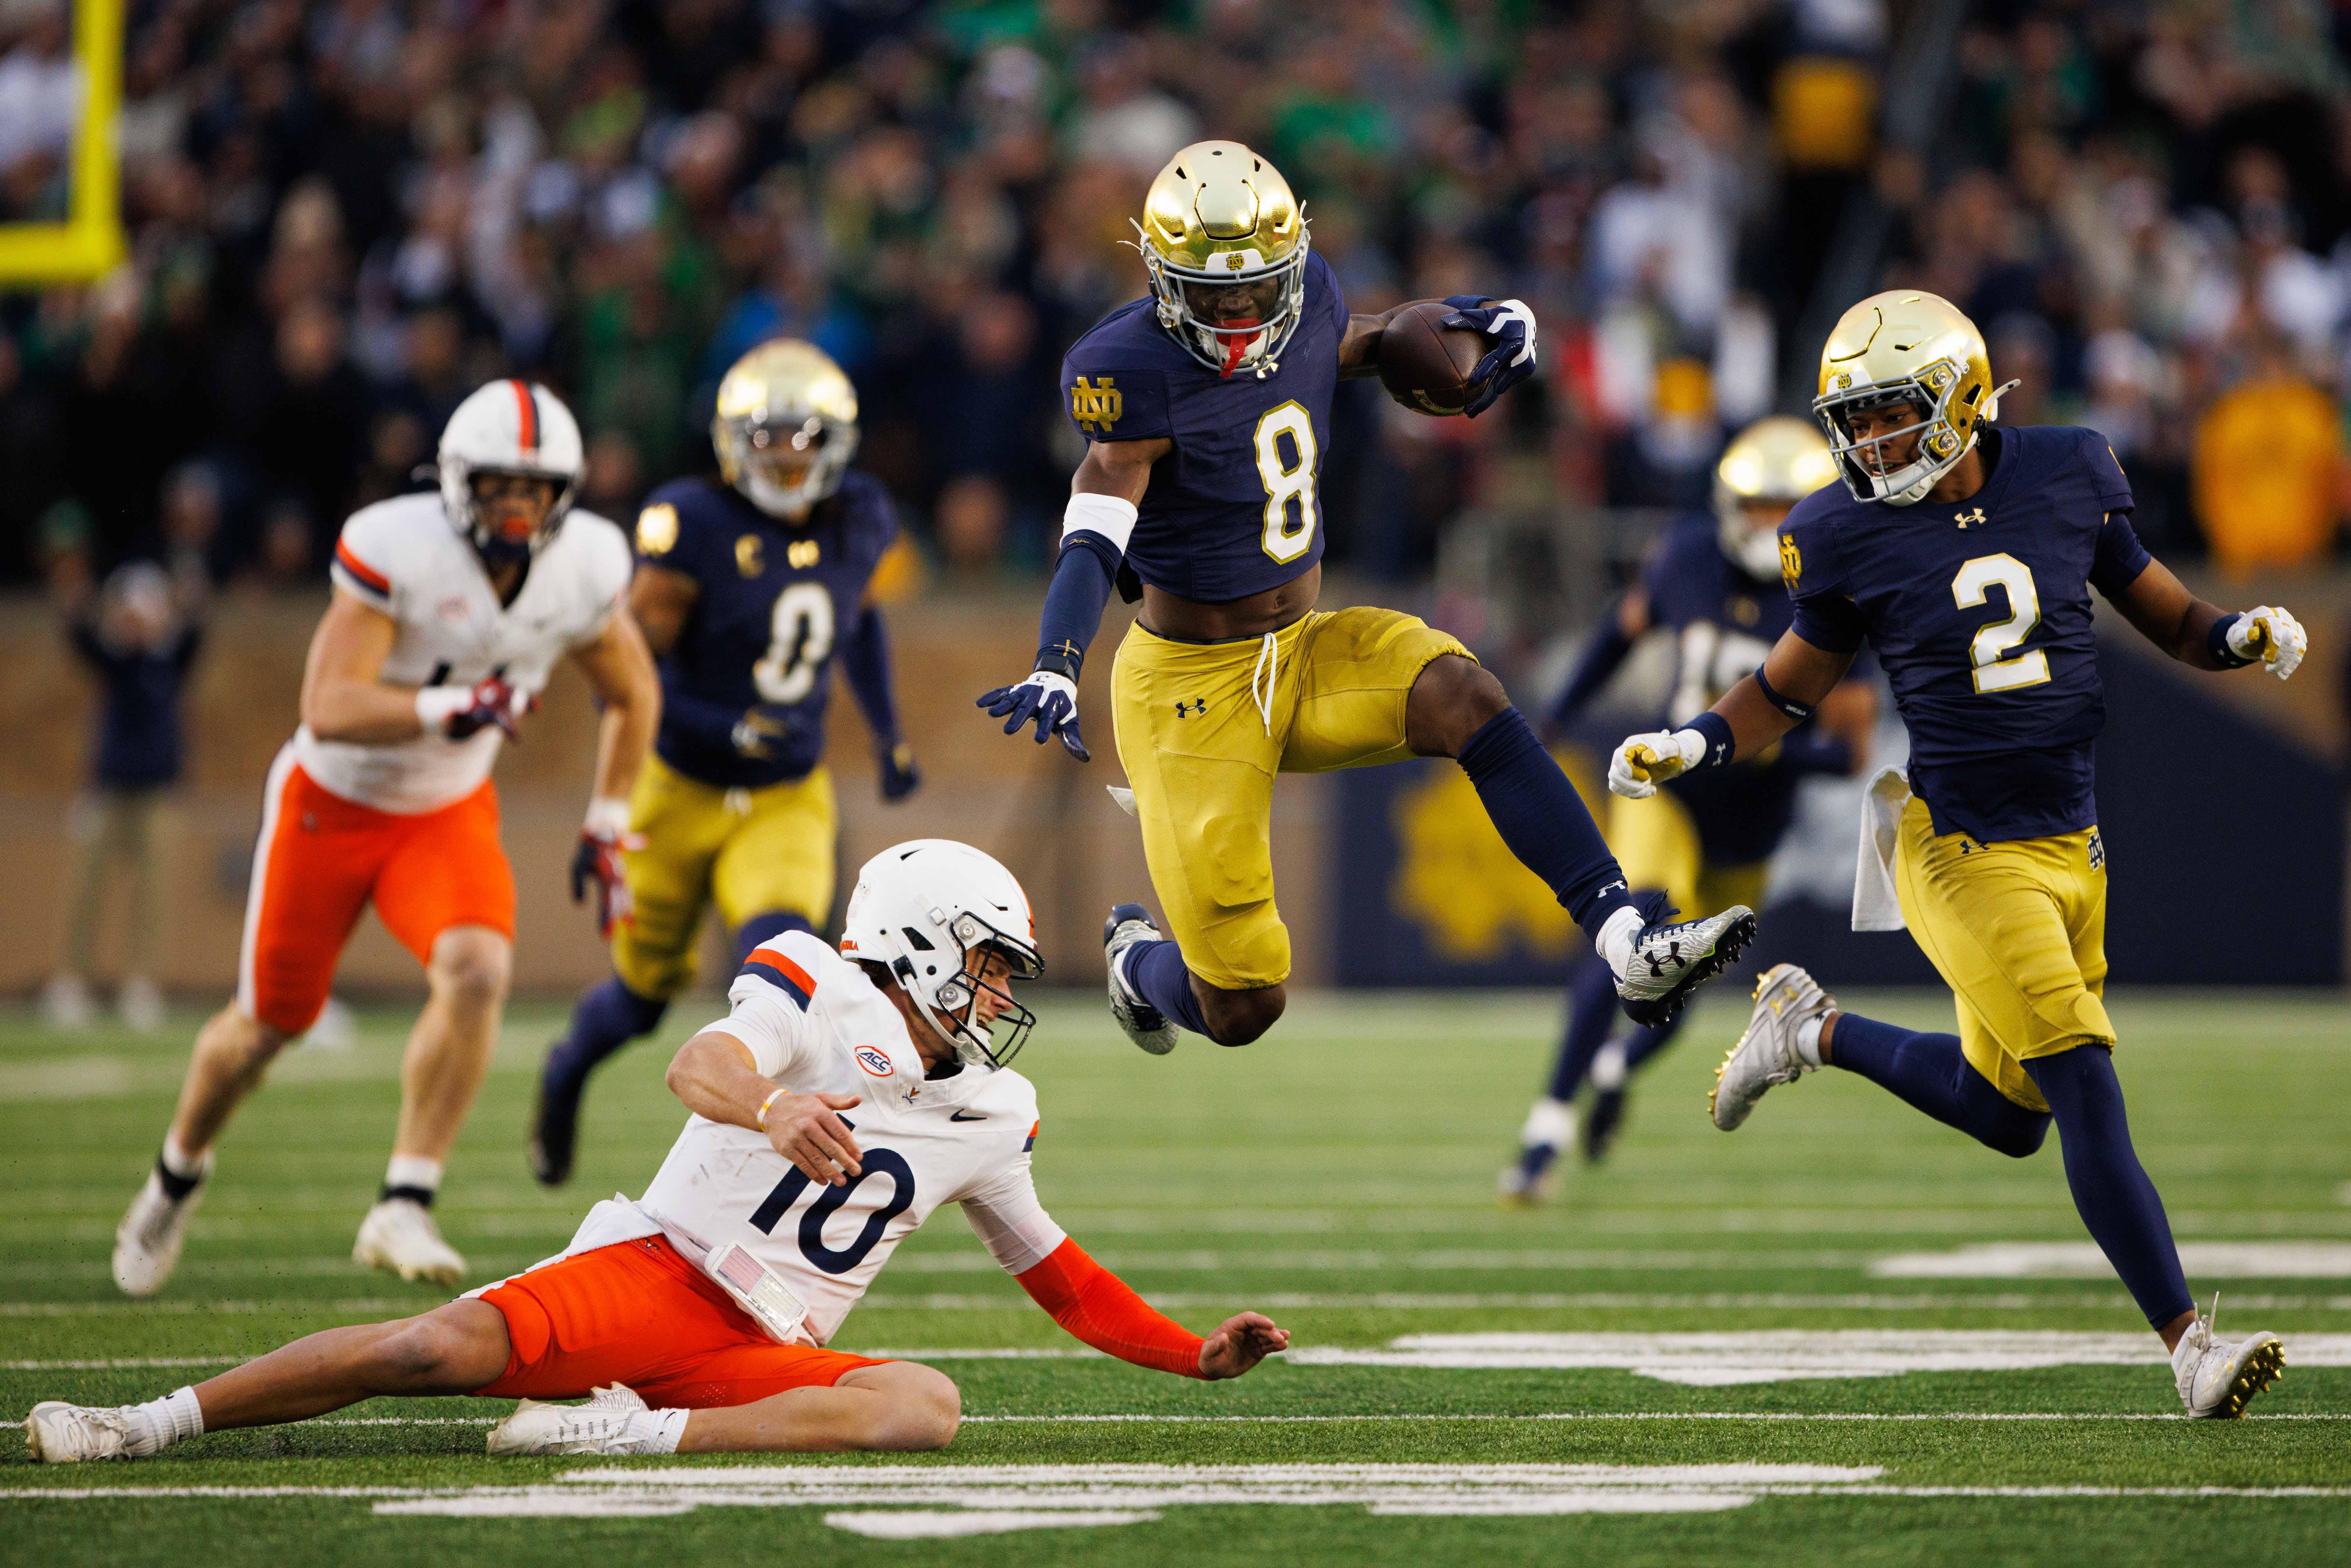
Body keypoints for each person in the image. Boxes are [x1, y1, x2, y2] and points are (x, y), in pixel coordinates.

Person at [28, 841, 1289, 1463]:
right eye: (988, 959)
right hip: (658, 1273)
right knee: (427, 1348)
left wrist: (1189, 1353)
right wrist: (771, 1109)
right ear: (913, 939)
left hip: (761, 1349)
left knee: (923, 1407)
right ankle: (144, 1422)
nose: (1001, 987)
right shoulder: (816, 982)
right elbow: (701, 1064)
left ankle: (620, 1436)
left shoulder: (992, 1114)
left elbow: (1058, 1277)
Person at [1610, 290, 2300, 1419]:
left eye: (1891, 415)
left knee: (2007, 1115)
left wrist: (2238, 635)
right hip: (1956, 847)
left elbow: (2169, 616)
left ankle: (1808, 1029)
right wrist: (1690, 739)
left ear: (1962, 400)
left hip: (2071, 843)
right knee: (2080, 1075)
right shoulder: (1841, 531)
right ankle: (2188, 1346)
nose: (1868, 444)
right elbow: (1785, 688)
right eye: (1856, 421)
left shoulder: (2068, 469)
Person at [978, 141, 1753, 1057]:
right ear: (1157, 274)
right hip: (1188, 685)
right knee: (1242, 1005)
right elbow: (1095, 528)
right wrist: (1058, 660)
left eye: (1257, 287)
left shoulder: (1308, 297)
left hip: (1306, 647)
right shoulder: (1125, 370)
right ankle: (1138, 964)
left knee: (1467, 694)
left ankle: (1626, 939)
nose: (1237, 311)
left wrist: (1475, 323)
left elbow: (1352, 340)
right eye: (1212, 292)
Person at [110, 380, 661, 1296]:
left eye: (536, 489)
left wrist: (609, 818)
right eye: (498, 486)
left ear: (565, 494)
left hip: (445, 809)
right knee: (265, 1026)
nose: (517, 508)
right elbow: (326, 708)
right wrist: (447, 706)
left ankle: (405, 1197)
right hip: (334, 803)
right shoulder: (398, 546)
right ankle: (177, 1171)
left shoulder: (584, 566)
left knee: (480, 970)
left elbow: (632, 691)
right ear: (456, 484)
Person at [529, 340, 920, 1187]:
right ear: (733, 440)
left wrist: (888, 732)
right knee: (640, 998)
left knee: (782, 964)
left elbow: (860, 620)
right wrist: (726, 725)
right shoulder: (690, 525)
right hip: (679, 785)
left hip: (786, 796)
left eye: (805, 437)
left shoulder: (859, 515)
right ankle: (565, 1071)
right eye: (770, 436)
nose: (787, 455)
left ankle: (763, 1157)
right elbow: (619, 681)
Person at [1502, 419, 1875, 1199]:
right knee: (1626, 937)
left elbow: (1848, 753)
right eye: (1757, 505)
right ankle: (1545, 1130)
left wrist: (1761, 744)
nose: (1770, 525)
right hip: (1669, 795)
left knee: (1680, 979)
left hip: (1753, 817)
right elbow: (1617, 633)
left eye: (1787, 508)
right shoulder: (1685, 556)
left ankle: (1612, 1068)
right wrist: (1555, 719)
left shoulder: (1837, 590)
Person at [46, 560, 205, 1033]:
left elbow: (197, 632)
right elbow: (82, 640)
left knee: (154, 894)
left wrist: (187, 602)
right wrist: (79, 607)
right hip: (108, 789)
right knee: (86, 889)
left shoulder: (169, 661)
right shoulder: (115, 661)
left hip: (160, 792)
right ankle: (71, 983)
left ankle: (142, 986)